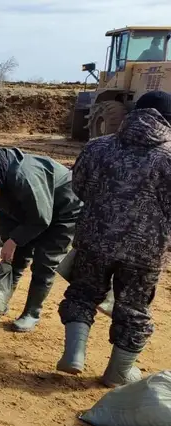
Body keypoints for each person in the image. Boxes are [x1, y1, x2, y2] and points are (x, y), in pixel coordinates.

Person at [56, 91, 171, 387]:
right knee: (134, 310)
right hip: (145, 253)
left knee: (83, 293)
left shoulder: (98, 146)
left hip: (94, 240)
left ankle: (74, 355)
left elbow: (78, 186)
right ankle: (117, 373)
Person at [0, 147, 81, 332]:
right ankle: (0, 301)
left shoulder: (25, 179)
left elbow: (41, 219)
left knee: (44, 263)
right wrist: (8, 242)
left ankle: (31, 313)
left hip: (64, 210)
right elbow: (4, 215)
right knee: (15, 259)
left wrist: (14, 241)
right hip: (34, 210)